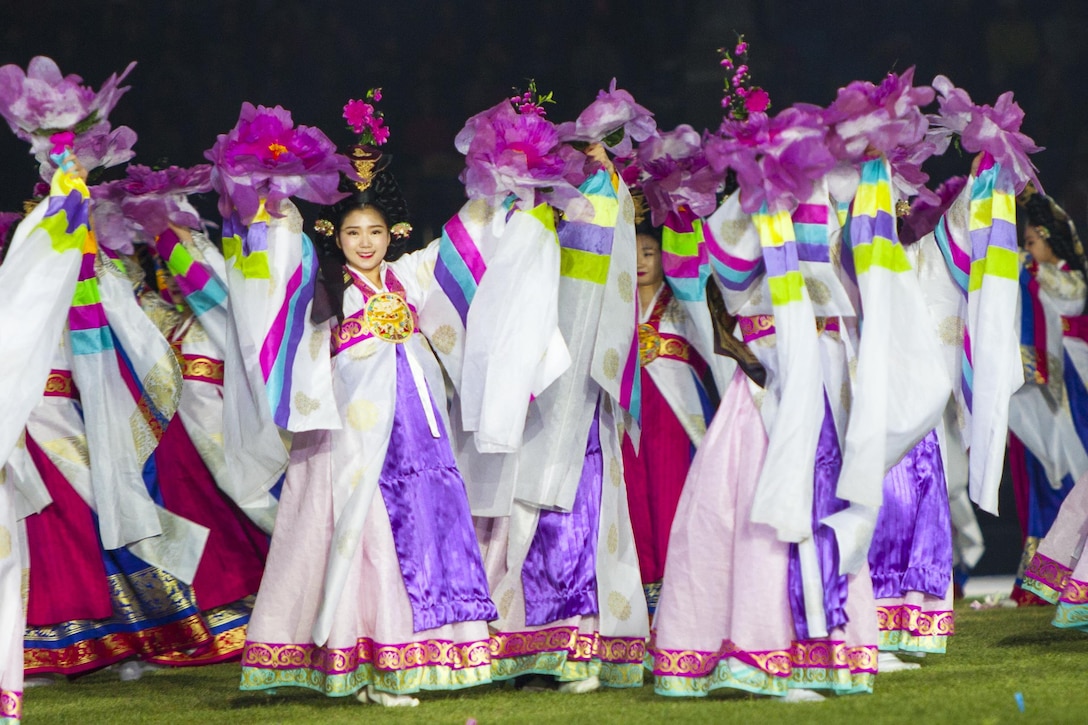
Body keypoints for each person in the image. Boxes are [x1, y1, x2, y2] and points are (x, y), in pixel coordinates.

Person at [235, 148, 498, 706]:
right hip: (355, 443)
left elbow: (458, 246)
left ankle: (422, 655)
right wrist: (275, 201)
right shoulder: (327, 288)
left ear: (392, 233)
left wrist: (496, 188)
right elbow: (281, 260)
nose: (365, 242)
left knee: (429, 533)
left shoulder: (407, 278)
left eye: (375, 231)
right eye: (353, 232)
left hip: (419, 439)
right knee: (364, 538)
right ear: (338, 236)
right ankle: (373, 662)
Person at [623, 220, 720, 615]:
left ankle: (680, 592)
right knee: (634, 497)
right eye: (636, 252)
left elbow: (707, 348)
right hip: (630, 413)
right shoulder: (617, 301)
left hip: (675, 413)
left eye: (650, 252)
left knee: (672, 496)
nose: (642, 261)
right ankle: (643, 595)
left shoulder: (682, 300)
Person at [1007, 188, 1088, 605]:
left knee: (1075, 477)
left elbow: (1071, 304)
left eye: (1032, 242)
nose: (1027, 250)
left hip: (1072, 386)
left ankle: (1070, 574)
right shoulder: (1031, 274)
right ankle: (1044, 579)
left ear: (1048, 240)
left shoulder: (1067, 280)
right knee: (1045, 475)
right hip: (1040, 389)